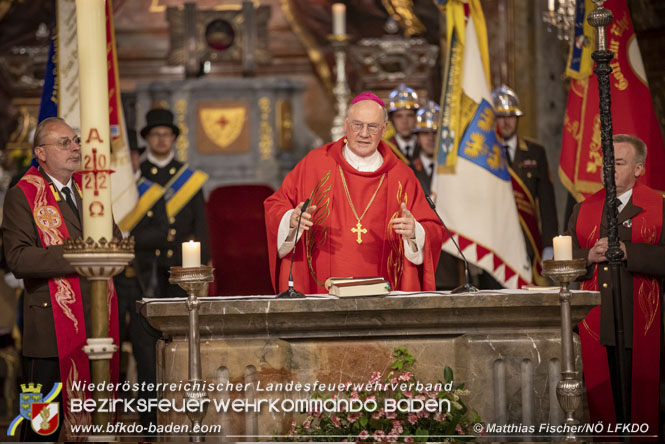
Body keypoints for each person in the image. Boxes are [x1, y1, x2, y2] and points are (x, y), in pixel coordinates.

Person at [1, 117, 122, 440]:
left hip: (97, 320)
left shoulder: (91, 191)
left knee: (98, 421)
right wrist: (77, 255)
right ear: (40, 152)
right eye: (64, 143)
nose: (75, 148)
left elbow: (114, 240)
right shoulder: (22, 195)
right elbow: (18, 259)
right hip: (51, 329)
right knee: (43, 426)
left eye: (76, 141)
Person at [264, 92, 444, 294]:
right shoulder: (314, 164)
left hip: (386, 296)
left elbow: (433, 228)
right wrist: (290, 220)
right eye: (357, 125)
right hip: (321, 292)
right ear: (346, 125)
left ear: (384, 129)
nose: (364, 133)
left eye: (372, 126)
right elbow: (275, 205)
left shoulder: (402, 176)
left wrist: (415, 232)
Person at [567, 134, 664, 436]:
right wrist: (587, 256)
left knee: (644, 406)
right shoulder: (582, 210)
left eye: (619, 163)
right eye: (607, 163)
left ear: (638, 169)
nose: (610, 170)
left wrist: (629, 251)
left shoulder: (658, 207)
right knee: (602, 409)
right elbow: (563, 262)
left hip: (644, 323)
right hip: (598, 323)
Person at [114, 127, 164, 428]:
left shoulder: (151, 190)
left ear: (137, 158)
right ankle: (111, 416)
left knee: (147, 354)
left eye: (131, 154)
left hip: (143, 281)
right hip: (110, 282)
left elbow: (161, 231)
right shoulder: (100, 192)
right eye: (121, 155)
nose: (128, 160)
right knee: (109, 349)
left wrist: (129, 240)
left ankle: (149, 421)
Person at [136, 108, 210, 298]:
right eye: (156, 134)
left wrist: (202, 261)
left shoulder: (188, 177)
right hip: (145, 261)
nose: (161, 139)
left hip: (181, 260)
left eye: (166, 134)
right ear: (147, 138)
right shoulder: (137, 174)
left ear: (174, 138)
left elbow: (200, 222)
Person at [491, 85, 558, 285]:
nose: (506, 122)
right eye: (501, 116)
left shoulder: (535, 151)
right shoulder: (483, 156)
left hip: (528, 242)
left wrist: (549, 244)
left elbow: (547, 203)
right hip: (494, 241)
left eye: (511, 116)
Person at [409, 101, 463, 290]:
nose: (430, 138)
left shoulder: (457, 171)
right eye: (425, 133)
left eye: (435, 133)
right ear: (416, 137)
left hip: (453, 256)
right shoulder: (408, 171)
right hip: (422, 253)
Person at [385, 84, 419, 164]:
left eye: (409, 115)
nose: (405, 122)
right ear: (392, 119)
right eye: (399, 116)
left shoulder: (426, 146)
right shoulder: (386, 148)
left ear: (416, 118)